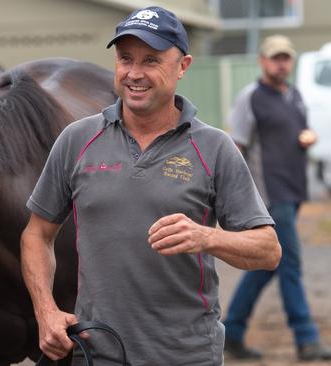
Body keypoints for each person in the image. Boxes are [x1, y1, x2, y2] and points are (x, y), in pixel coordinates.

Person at [20, 6, 282, 366]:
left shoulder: (213, 148)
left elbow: (269, 250)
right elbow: (36, 235)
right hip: (98, 354)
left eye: (151, 60)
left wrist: (208, 238)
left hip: (187, 355)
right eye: (125, 59)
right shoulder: (77, 140)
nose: (134, 73)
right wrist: (45, 311)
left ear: (183, 66)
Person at [223, 34, 331, 361]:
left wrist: (306, 140)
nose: (280, 63)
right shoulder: (250, 97)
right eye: (274, 58)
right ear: (262, 61)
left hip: (294, 192)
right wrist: (237, 199)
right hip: (269, 196)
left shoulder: (294, 95)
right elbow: (235, 146)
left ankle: (232, 331)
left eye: (285, 58)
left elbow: (298, 133)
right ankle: (306, 337)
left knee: (266, 266)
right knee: (290, 263)